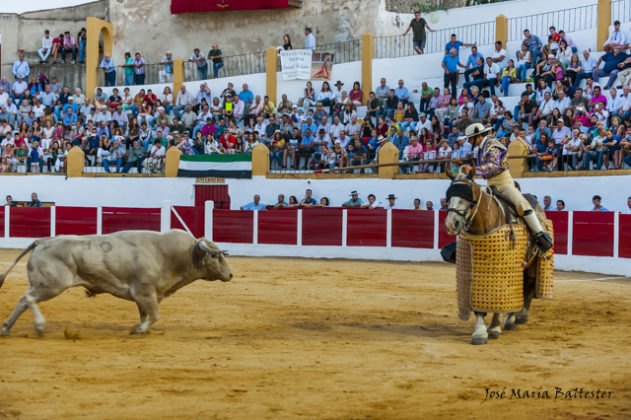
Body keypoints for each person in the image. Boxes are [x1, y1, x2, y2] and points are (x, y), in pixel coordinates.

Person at [453, 123, 553, 253]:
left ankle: (540, 235)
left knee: (520, 203)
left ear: (478, 136)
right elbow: (478, 163)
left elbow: (492, 166)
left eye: (471, 138)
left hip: (503, 183)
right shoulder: (481, 149)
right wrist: (462, 162)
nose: (469, 141)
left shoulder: (493, 145)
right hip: (490, 185)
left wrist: (472, 170)